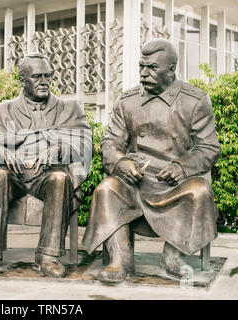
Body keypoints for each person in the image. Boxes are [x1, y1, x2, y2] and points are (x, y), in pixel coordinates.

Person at [82, 39, 221, 283]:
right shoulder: (128, 101)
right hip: (136, 179)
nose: (144, 74)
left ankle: (173, 256)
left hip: (175, 181)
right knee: (106, 189)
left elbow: (208, 148)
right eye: (141, 67)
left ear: (171, 69)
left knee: (199, 192)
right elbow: (110, 143)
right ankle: (120, 259)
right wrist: (121, 162)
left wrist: (182, 167)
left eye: (152, 68)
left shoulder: (195, 100)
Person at [0, 53, 92, 278]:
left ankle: (48, 257)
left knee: (60, 178)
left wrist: (59, 150)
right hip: (15, 176)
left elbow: (86, 143)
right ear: (22, 79)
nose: (44, 81)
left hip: (46, 176)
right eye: (37, 76)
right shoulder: (6, 109)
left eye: (48, 76)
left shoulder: (69, 108)